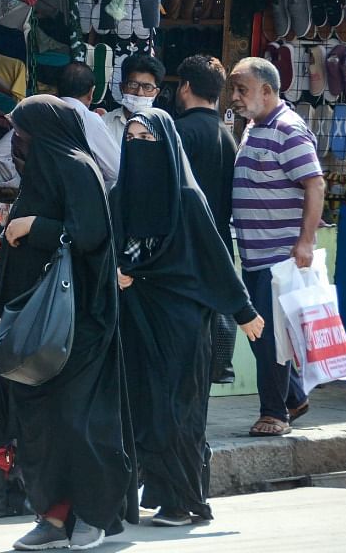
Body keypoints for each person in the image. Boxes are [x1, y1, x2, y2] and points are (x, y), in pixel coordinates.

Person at [0, 96, 136, 551]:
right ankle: (52, 518)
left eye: (23, 134)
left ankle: (93, 514)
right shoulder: (43, 171)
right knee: (40, 425)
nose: (17, 143)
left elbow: (89, 235)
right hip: (39, 328)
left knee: (78, 422)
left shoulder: (77, 168)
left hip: (80, 327)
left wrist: (33, 227)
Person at [111, 108, 264, 526]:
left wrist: (244, 310)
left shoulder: (187, 199)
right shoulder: (120, 196)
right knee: (144, 409)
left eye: (148, 140)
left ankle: (184, 501)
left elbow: (214, 259)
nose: (139, 148)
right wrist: (117, 270)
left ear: (168, 146)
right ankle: (160, 493)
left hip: (180, 324)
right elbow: (105, 248)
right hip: (137, 322)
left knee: (176, 413)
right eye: (133, 141)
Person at [229, 57, 325, 437]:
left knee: (268, 338)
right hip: (254, 254)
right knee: (261, 336)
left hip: (277, 255)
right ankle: (294, 396)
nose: (234, 97)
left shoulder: (288, 129)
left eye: (242, 90)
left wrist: (305, 242)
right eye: (233, 89)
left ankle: (275, 413)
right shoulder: (255, 127)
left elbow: (315, 184)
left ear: (267, 91)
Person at [172, 55, 240, 384]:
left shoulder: (179, 132)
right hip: (218, 245)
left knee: (182, 346)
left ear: (185, 86)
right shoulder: (228, 137)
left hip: (183, 250)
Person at [57, 62, 121, 186]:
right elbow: (116, 170)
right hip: (74, 195)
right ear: (91, 93)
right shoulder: (89, 119)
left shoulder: (39, 110)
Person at [103, 54, 164, 142]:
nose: (139, 93)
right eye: (133, 85)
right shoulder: (104, 123)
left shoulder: (163, 129)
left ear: (156, 92)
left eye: (147, 87)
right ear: (122, 87)